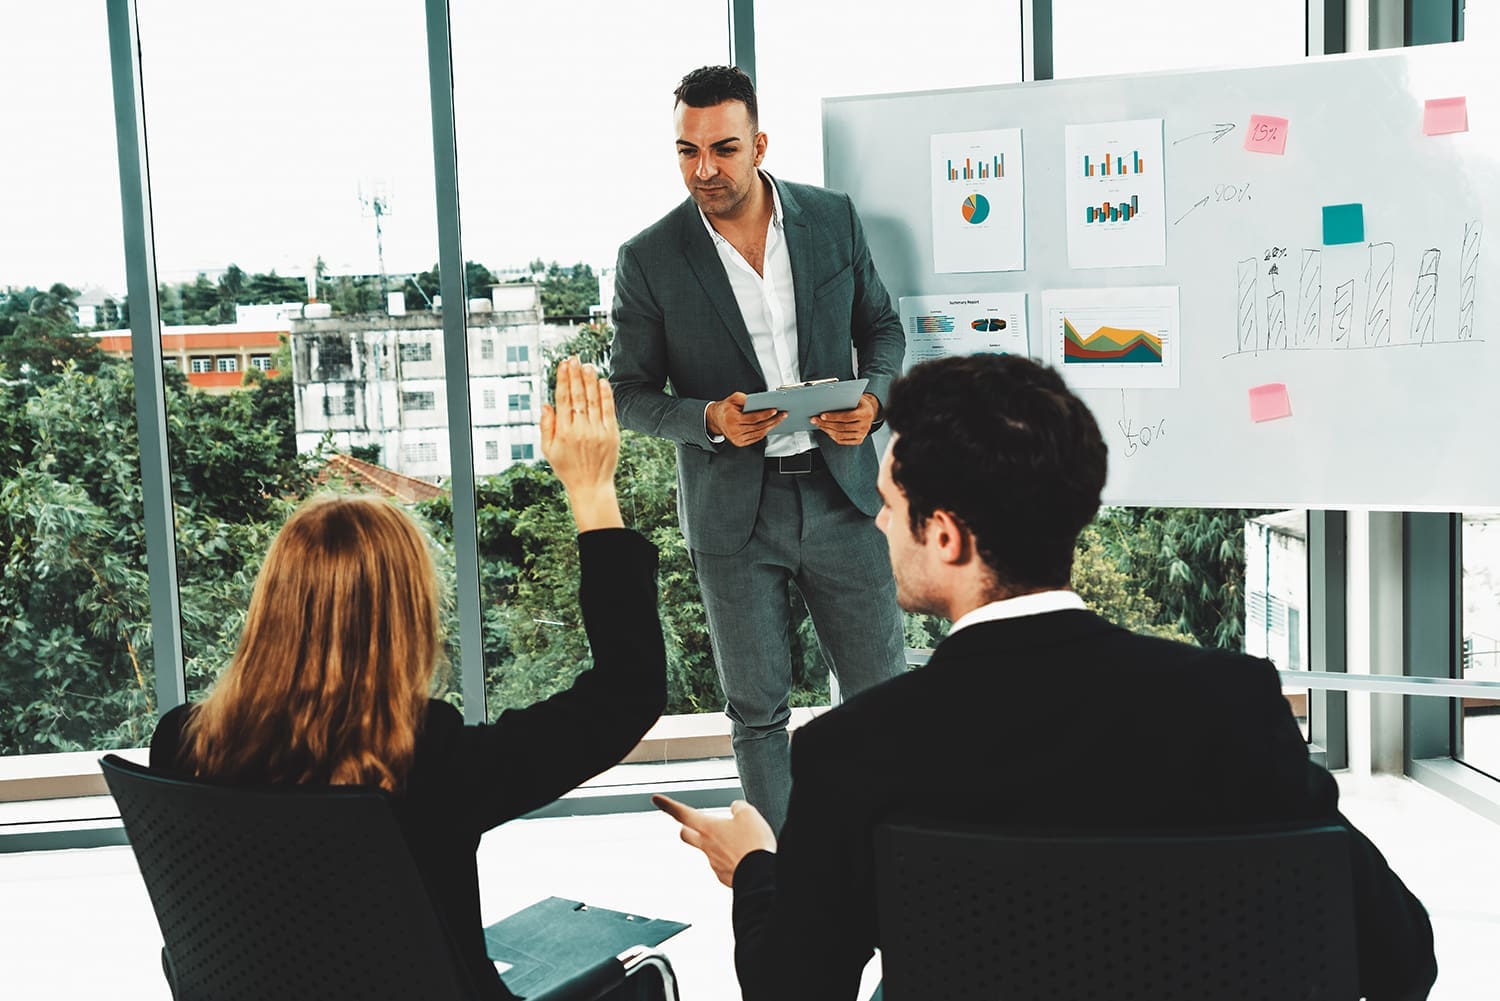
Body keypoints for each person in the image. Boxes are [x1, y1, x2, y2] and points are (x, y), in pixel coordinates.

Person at [655, 353, 1438, 1001]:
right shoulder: (1232, 703)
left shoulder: (854, 749)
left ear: (947, 536)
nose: (879, 522)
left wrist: (758, 864)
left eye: (890, 504)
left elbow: (793, 992)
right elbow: (1402, 957)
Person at [149, 358, 665, 1001]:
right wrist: (592, 493)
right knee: (645, 973)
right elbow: (627, 691)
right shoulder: (427, 759)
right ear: (408, 618)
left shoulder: (180, 743)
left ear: (272, 605)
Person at [610, 64, 906, 834]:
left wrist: (872, 399)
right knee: (757, 712)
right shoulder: (648, 258)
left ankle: (892, 856)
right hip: (733, 515)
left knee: (883, 696)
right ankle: (783, 884)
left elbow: (882, 327)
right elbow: (629, 393)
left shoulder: (831, 220)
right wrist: (709, 417)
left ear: (759, 144)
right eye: (686, 151)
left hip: (844, 495)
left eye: (722, 149)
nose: (703, 169)